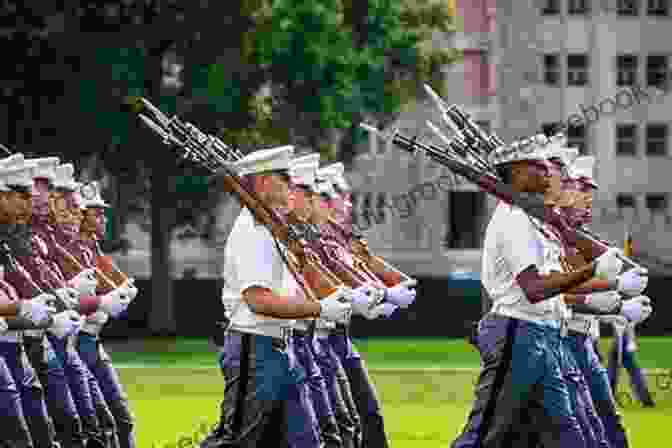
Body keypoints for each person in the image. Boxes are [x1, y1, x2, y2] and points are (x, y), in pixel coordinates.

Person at [450, 134, 625, 448]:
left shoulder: (534, 220)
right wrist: (595, 271)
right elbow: (533, 288)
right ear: (516, 173)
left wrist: (606, 286)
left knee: (572, 434)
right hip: (518, 332)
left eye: (549, 166)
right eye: (539, 166)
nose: (548, 172)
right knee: (485, 435)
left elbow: (556, 277)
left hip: (543, 334)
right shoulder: (514, 219)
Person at [200, 145, 352, 448]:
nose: (291, 185)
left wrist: (341, 299)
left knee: (306, 441)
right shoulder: (252, 232)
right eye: (284, 178)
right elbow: (259, 301)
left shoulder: (272, 229)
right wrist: (320, 309)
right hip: (254, 348)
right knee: (238, 440)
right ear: (263, 182)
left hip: (281, 350)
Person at [63, 173, 138, 447]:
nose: (103, 219)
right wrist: (112, 295)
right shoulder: (72, 250)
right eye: (96, 214)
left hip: (92, 342)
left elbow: (115, 282)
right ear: (82, 217)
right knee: (104, 422)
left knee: (118, 418)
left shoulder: (90, 249)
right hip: (79, 341)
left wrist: (122, 289)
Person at [607, 320, 655, 407]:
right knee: (631, 371)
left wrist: (630, 341)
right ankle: (646, 399)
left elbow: (629, 324)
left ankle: (607, 400)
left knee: (613, 372)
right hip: (622, 338)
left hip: (622, 338)